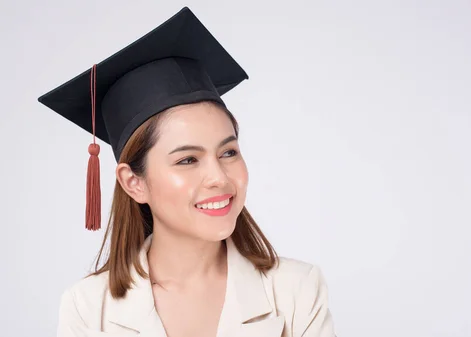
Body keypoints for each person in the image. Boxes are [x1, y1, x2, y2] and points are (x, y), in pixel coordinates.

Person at [38, 7, 335, 337]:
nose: (220, 178)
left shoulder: (296, 291)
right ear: (134, 182)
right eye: (188, 160)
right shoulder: (89, 308)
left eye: (228, 152)